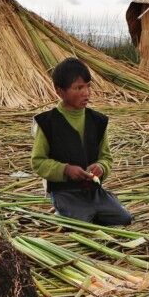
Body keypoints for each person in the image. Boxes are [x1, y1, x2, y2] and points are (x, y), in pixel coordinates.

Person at [30, 57, 132, 226]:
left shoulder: (98, 121)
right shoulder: (47, 123)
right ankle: (65, 211)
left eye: (88, 86)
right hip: (65, 192)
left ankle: (97, 207)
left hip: (93, 191)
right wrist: (65, 170)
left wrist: (101, 167)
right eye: (79, 88)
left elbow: (106, 157)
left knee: (124, 219)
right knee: (82, 223)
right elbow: (38, 162)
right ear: (60, 91)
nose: (87, 93)